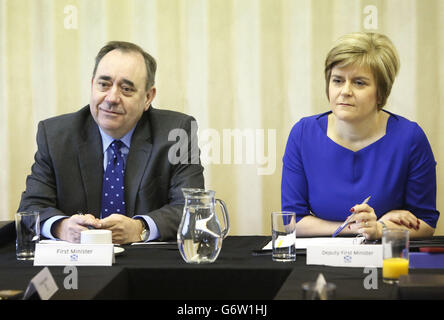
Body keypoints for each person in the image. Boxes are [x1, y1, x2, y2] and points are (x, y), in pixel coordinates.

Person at [18, 41, 204, 244]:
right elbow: (31, 208)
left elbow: (191, 208)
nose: (112, 97)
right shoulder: (56, 136)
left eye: (126, 89)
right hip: (79, 266)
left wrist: (140, 228)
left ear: (148, 97)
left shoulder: (176, 132)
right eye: (104, 84)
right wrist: (61, 227)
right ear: (92, 85)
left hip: (148, 266)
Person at [281, 32, 439, 240]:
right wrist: (360, 227)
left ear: (381, 92)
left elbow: (425, 223)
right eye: (337, 80)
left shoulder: (410, 138)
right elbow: (292, 222)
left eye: (359, 83)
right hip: (319, 262)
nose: (345, 91)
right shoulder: (303, 134)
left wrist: (381, 230)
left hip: (386, 261)